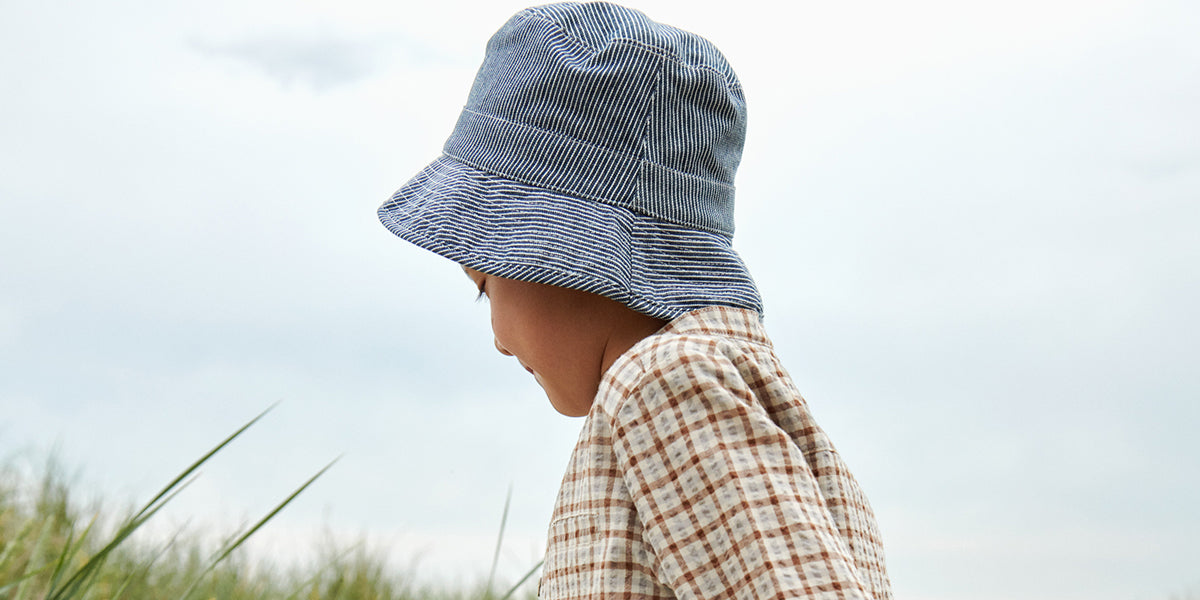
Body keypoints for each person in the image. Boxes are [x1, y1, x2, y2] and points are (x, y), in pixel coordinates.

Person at [377, 3, 893, 598]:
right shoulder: (720, 386)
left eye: (485, 285)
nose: (496, 338)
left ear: (559, 252)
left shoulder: (663, 383)